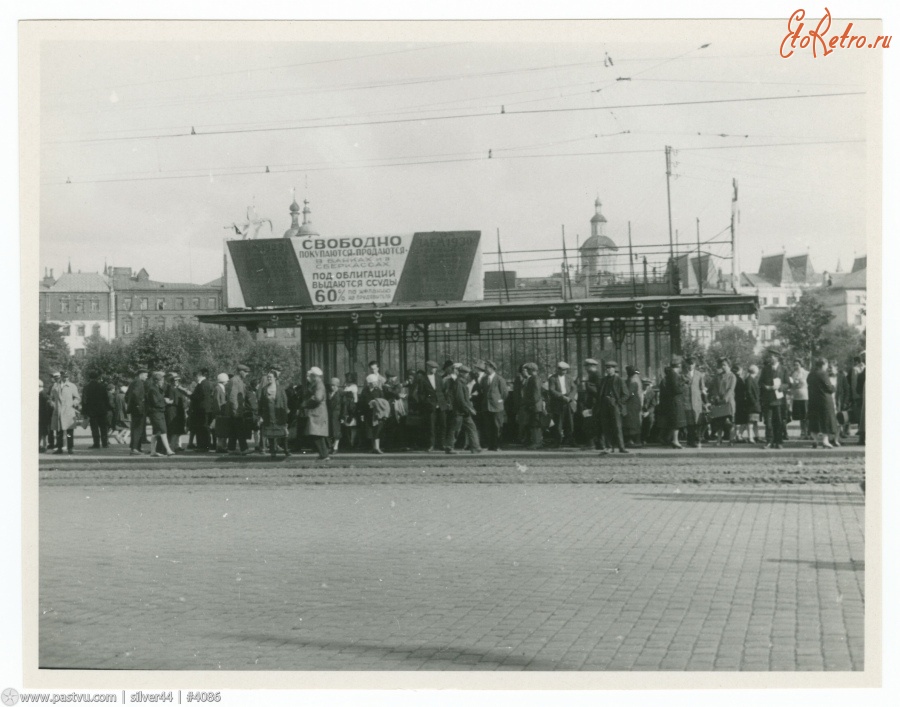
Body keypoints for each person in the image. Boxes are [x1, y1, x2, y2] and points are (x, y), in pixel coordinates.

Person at [444, 364, 482, 454]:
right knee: (456, 429)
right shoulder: (459, 383)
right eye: (466, 373)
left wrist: (469, 408)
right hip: (460, 411)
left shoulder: (461, 383)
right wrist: (469, 409)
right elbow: (460, 399)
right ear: (462, 373)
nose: (468, 375)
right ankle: (449, 447)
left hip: (463, 411)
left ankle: (475, 447)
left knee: (471, 427)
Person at [412, 360, 448, 452]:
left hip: (441, 405)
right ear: (428, 367)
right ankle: (431, 445)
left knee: (443, 425)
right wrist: (428, 403)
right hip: (430, 406)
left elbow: (442, 391)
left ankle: (442, 444)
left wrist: (443, 402)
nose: (434, 369)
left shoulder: (439, 377)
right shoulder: (422, 379)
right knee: (431, 426)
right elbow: (421, 394)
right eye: (433, 368)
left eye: (435, 368)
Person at [595, 360, 629, 454]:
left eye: (610, 368)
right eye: (607, 368)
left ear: (614, 369)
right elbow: (599, 394)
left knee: (617, 427)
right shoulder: (603, 380)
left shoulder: (619, 380)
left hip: (615, 406)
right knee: (606, 427)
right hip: (604, 405)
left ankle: (621, 447)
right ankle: (609, 447)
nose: (608, 370)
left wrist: (618, 403)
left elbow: (626, 394)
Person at [807, 357, 839, 448]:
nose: (827, 367)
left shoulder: (811, 374)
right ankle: (825, 441)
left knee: (814, 421)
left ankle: (815, 440)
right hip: (824, 400)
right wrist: (833, 387)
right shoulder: (823, 374)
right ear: (823, 365)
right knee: (826, 421)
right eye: (826, 365)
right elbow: (829, 387)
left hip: (813, 400)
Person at [258, 369, 291, 458]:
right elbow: (261, 403)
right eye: (268, 377)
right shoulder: (264, 389)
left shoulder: (280, 389)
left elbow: (284, 401)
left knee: (283, 432)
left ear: (275, 378)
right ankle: (273, 451)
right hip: (268, 414)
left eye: (271, 377)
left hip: (279, 413)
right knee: (270, 433)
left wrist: (285, 412)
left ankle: (286, 450)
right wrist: (260, 415)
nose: (269, 378)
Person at [480, 360, 509, 451]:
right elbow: (483, 391)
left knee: (497, 426)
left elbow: (504, 393)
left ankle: (497, 445)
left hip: (497, 407)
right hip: (486, 406)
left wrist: (499, 401)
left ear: (492, 368)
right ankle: (491, 445)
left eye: (487, 368)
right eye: (485, 368)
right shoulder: (484, 379)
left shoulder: (499, 379)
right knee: (488, 427)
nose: (485, 369)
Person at [759, 351, 786, 449]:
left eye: (772, 357)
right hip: (768, 400)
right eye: (769, 357)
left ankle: (779, 441)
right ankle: (769, 441)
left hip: (779, 400)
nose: (770, 359)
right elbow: (760, 382)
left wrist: (780, 387)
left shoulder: (783, 369)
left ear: (777, 357)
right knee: (768, 421)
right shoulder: (765, 369)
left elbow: (788, 384)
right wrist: (766, 387)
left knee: (778, 421)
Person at [303, 367, 331, 460]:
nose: (309, 377)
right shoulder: (318, 384)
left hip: (317, 413)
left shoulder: (319, 385)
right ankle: (323, 454)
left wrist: (305, 403)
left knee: (316, 434)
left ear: (314, 376)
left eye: (310, 375)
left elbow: (318, 398)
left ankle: (324, 455)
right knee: (316, 434)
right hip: (317, 413)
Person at [547, 362, 577, 448]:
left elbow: (574, 388)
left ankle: (570, 440)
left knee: (570, 422)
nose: (564, 371)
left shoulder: (569, 378)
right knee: (558, 423)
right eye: (563, 370)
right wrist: (562, 397)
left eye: (566, 370)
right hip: (558, 403)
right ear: (558, 369)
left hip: (568, 403)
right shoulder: (552, 378)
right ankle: (557, 441)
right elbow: (551, 390)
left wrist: (570, 397)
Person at [658, 359, 686, 449]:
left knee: (676, 422)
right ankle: (675, 440)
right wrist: (683, 385)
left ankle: (675, 440)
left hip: (674, 401)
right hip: (675, 402)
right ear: (678, 366)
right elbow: (676, 389)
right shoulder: (674, 375)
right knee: (676, 422)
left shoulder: (671, 375)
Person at [145, 371, 175, 457]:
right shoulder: (153, 389)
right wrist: (165, 401)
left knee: (155, 432)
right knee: (163, 430)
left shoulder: (156, 389)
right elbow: (155, 402)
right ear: (156, 381)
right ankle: (168, 450)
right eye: (161, 380)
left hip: (158, 412)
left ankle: (153, 451)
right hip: (156, 412)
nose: (162, 382)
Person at [708, 357, 736, 446]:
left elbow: (730, 389)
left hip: (728, 402)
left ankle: (731, 440)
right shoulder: (718, 376)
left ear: (729, 366)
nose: (723, 367)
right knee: (719, 422)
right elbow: (715, 388)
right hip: (718, 401)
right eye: (722, 365)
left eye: (725, 365)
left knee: (729, 422)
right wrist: (716, 397)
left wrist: (724, 399)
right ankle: (719, 440)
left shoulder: (732, 376)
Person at [360, 372, 389, 454]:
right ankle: (374, 447)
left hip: (377, 413)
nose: (376, 383)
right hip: (368, 413)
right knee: (371, 431)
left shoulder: (379, 391)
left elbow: (383, 401)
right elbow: (361, 402)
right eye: (374, 382)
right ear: (369, 383)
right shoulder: (365, 391)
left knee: (377, 430)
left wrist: (375, 401)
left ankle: (377, 448)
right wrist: (362, 413)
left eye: (376, 382)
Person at [680, 356, 706, 448]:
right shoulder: (682, 374)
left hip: (697, 401)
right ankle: (690, 440)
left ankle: (697, 439)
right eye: (689, 364)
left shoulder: (699, 374)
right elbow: (680, 386)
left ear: (695, 364)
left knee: (697, 421)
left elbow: (702, 388)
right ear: (686, 364)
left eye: (692, 364)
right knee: (689, 422)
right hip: (686, 401)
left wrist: (704, 401)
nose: (690, 366)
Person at [225, 365, 251, 455]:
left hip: (236, 410)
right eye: (246, 372)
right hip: (236, 411)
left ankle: (231, 449)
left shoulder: (239, 380)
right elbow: (232, 397)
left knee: (233, 431)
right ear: (241, 371)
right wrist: (236, 411)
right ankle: (244, 449)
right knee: (240, 430)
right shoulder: (235, 381)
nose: (247, 374)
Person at [82, 370, 111, 449]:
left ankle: (96, 444)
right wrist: (108, 409)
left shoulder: (86, 387)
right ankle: (105, 443)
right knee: (103, 427)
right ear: (97, 377)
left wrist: (84, 412)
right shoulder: (102, 387)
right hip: (102, 410)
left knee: (94, 428)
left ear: (89, 378)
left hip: (91, 411)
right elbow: (106, 399)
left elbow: (84, 400)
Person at [189, 369, 216, 452]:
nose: (195, 379)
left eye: (195, 377)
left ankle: (203, 446)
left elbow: (200, 397)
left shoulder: (202, 384)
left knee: (202, 428)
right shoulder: (207, 383)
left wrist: (190, 395)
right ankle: (203, 446)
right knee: (203, 427)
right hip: (205, 409)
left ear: (198, 376)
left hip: (202, 409)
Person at [164, 372, 190, 452]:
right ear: (171, 381)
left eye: (178, 381)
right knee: (174, 429)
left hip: (179, 410)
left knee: (179, 429)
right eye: (174, 381)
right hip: (173, 410)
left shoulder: (178, 389)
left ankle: (176, 445)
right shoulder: (171, 389)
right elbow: (171, 400)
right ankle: (172, 447)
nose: (176, 382)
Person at [125, 368, 149, 455]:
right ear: (141, 374)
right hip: (138, 409)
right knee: (137, 429)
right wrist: (139, 405)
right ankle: (135, 449)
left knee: (137, 428)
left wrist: (131, 405)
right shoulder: (138, 382)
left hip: (135, 409)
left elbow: (127, 396)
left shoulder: (133, 382)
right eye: (146, 375)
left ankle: (137, 448)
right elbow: (135, 394)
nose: (147, 377)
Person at [622, 365, 644, 447]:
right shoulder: (636, 379)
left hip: (632, 404)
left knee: (632, 422)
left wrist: (621, 400)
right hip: (634, 403)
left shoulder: (633, 381)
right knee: (633, 422)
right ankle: (632, 440)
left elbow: (629, 393)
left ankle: (635, 441)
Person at [789, 359, 810, 440]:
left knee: (806, 415)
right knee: (801, 416)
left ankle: (808, 432)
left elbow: (808, 384)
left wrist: (801, 383)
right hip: (797, 396)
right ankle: (802, 432)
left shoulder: (806, 373)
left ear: (801, 364)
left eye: (797, 364)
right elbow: (791, 385)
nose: (796, 366)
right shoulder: (793, 374)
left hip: (805, 396)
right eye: (794, 365)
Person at [341, 372, 360, 451]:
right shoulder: (346, 386)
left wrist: (353, 408)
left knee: (352, 426)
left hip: (351, 407)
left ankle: (352, 443)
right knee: (348, 426)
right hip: (347, 406)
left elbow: (355, 399)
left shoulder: (353, 387)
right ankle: (349, 443)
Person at [744, 364, 763, 443]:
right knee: (751, 421)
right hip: (752, 404)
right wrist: (754, 401)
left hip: (755, 403)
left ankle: (756, 436)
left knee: (755, 421)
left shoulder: (752, 379)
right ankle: (750, 437)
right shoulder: (749, 380)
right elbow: (749, 392)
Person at [731, 365, 748, 442]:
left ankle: (735, 436)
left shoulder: (731, 378)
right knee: (743, 420)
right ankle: (739, 436)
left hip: (733, 401)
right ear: (738, 371)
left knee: (735, 421)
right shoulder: (739, 379)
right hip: (740, 402)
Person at [214, 373, 230, 453]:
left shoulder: (221, 388)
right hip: (220, 412)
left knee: (222, 430)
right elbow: (217, 401)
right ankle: (220, 446)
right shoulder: (218, 388)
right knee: (221, 430)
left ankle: (222, 446)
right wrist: (219, 412)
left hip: (223, 411)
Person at [640, 378, 658, 444]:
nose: (646, 386)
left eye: (648, 385)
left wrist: (648, 412)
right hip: (639, 411)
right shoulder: (638, 392)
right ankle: (638, 438)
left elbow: (653, 405)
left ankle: (645, 437)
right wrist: (640, 412)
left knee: (651, 419)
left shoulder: (651, 393)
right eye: (645, 385)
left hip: (647, 411)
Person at [39, 379, 53, 452]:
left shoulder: (42, 395)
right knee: (44, 432)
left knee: (42, 433)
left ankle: (43, 446)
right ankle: (43, 446)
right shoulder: (44, 395)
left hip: (43, 417)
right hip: (44, 417)